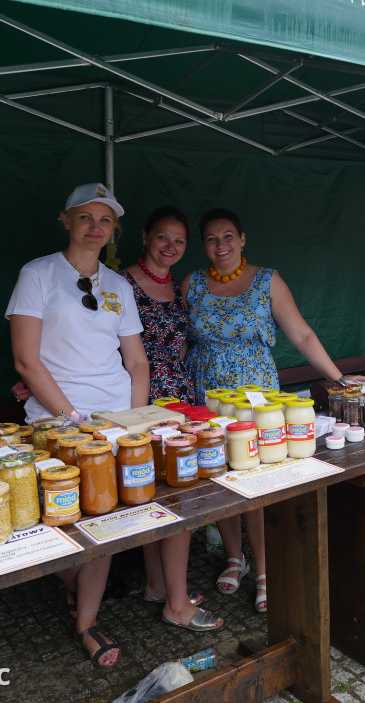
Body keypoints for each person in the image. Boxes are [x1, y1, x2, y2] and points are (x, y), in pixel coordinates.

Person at [181, 207, 365, 613]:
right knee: (221, 473)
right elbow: (181, 343)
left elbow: (302, 334)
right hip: (206, 395)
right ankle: (235, 557)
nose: (220, 245)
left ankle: (266, 568)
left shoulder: (268, 280)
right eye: (211, 239)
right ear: (203, 245)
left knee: (259, 478)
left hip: (257, 399)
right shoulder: (191, 283)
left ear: (242, 239)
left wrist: (337, 378)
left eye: (228, 236)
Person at [6, 182, 150, 667]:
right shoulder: (38, 274)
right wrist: (72, 418)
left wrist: (132, 421)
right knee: (60, 518)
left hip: (115, 419)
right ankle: (76, 582)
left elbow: (137, 362)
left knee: (106, 516)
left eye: (105, 220)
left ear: (114, 229)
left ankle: (86, 622)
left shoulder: (118, 285)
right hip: (57, 420)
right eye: (85, 217)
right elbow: (26, 362)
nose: (95, 227)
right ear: (65, 220)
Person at [118, 206, 222, 632]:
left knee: (171, 489)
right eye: (162, 237)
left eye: (179, 241)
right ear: (145, 237)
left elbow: (180, 343)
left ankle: (159, 585)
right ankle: (173, 600)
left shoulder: (178, 288)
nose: (170, 247)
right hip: (139, 397)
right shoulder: (120, 283)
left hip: (177, 396)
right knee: (162, 492)